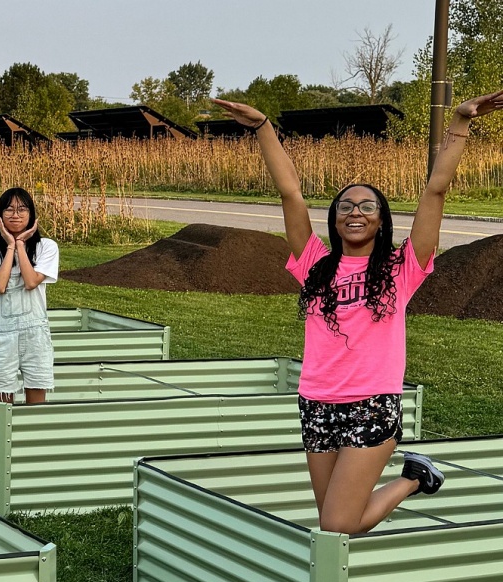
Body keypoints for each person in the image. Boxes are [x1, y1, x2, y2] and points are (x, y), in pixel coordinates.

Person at [212, 90, 503, 533]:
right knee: (331, 520)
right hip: (316, 402)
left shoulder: (401, 268)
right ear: (334, 219)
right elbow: (290, 191)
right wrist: (262, 126)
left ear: (382, 221)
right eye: (345, 206)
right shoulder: (314, 264)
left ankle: (412, 479)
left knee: (339, 524)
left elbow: (436, 189)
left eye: (368, 206)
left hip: (371, 403)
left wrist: (460, 122)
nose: (355, 212)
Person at [0, 188, 58, 404]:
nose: (16, 214)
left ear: (31, 215)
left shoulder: (47, 248)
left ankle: (34, 437)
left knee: (37, 402)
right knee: (3, 403)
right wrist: (11, 245)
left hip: (36, 334)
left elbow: (31, 282)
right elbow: (0, 285)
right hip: (1, 335)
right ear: (0, 216)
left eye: (22, 209)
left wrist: (21, 245)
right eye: (9, 209)